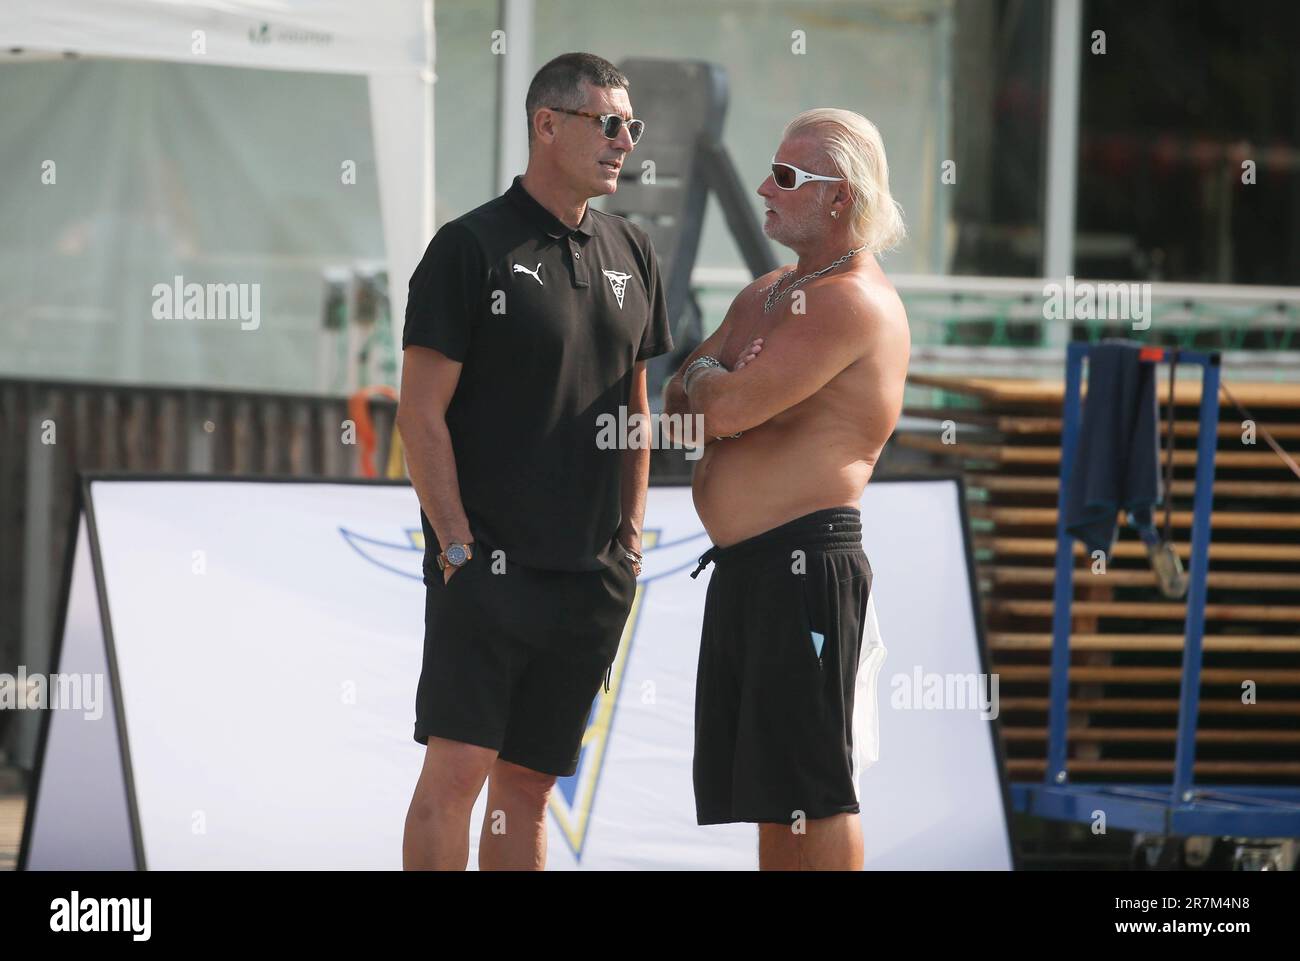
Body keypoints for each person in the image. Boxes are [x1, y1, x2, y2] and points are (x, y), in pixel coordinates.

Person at [399, 52, 672, 870]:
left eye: (633, 126)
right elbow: (420, 413)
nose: (626, 141)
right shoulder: (468, 247)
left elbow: (636, 408)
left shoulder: (634, 249)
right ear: (546, 125)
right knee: (458, 774)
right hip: (485, 563)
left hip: (589, 576)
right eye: (609, 123)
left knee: (528, 786)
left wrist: (628, 539)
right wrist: (455, 546)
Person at [663, 108, 909, 870]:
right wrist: (715, 377)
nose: (765, 188)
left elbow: (723, 408)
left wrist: (720, 380)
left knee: (815, 790)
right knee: (777, 796)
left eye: (788, 177)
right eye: (772, 170)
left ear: (842, 198)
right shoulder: (770, 291)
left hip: (806, 567)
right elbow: (678, 406)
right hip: (752, 570)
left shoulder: (848, 302)